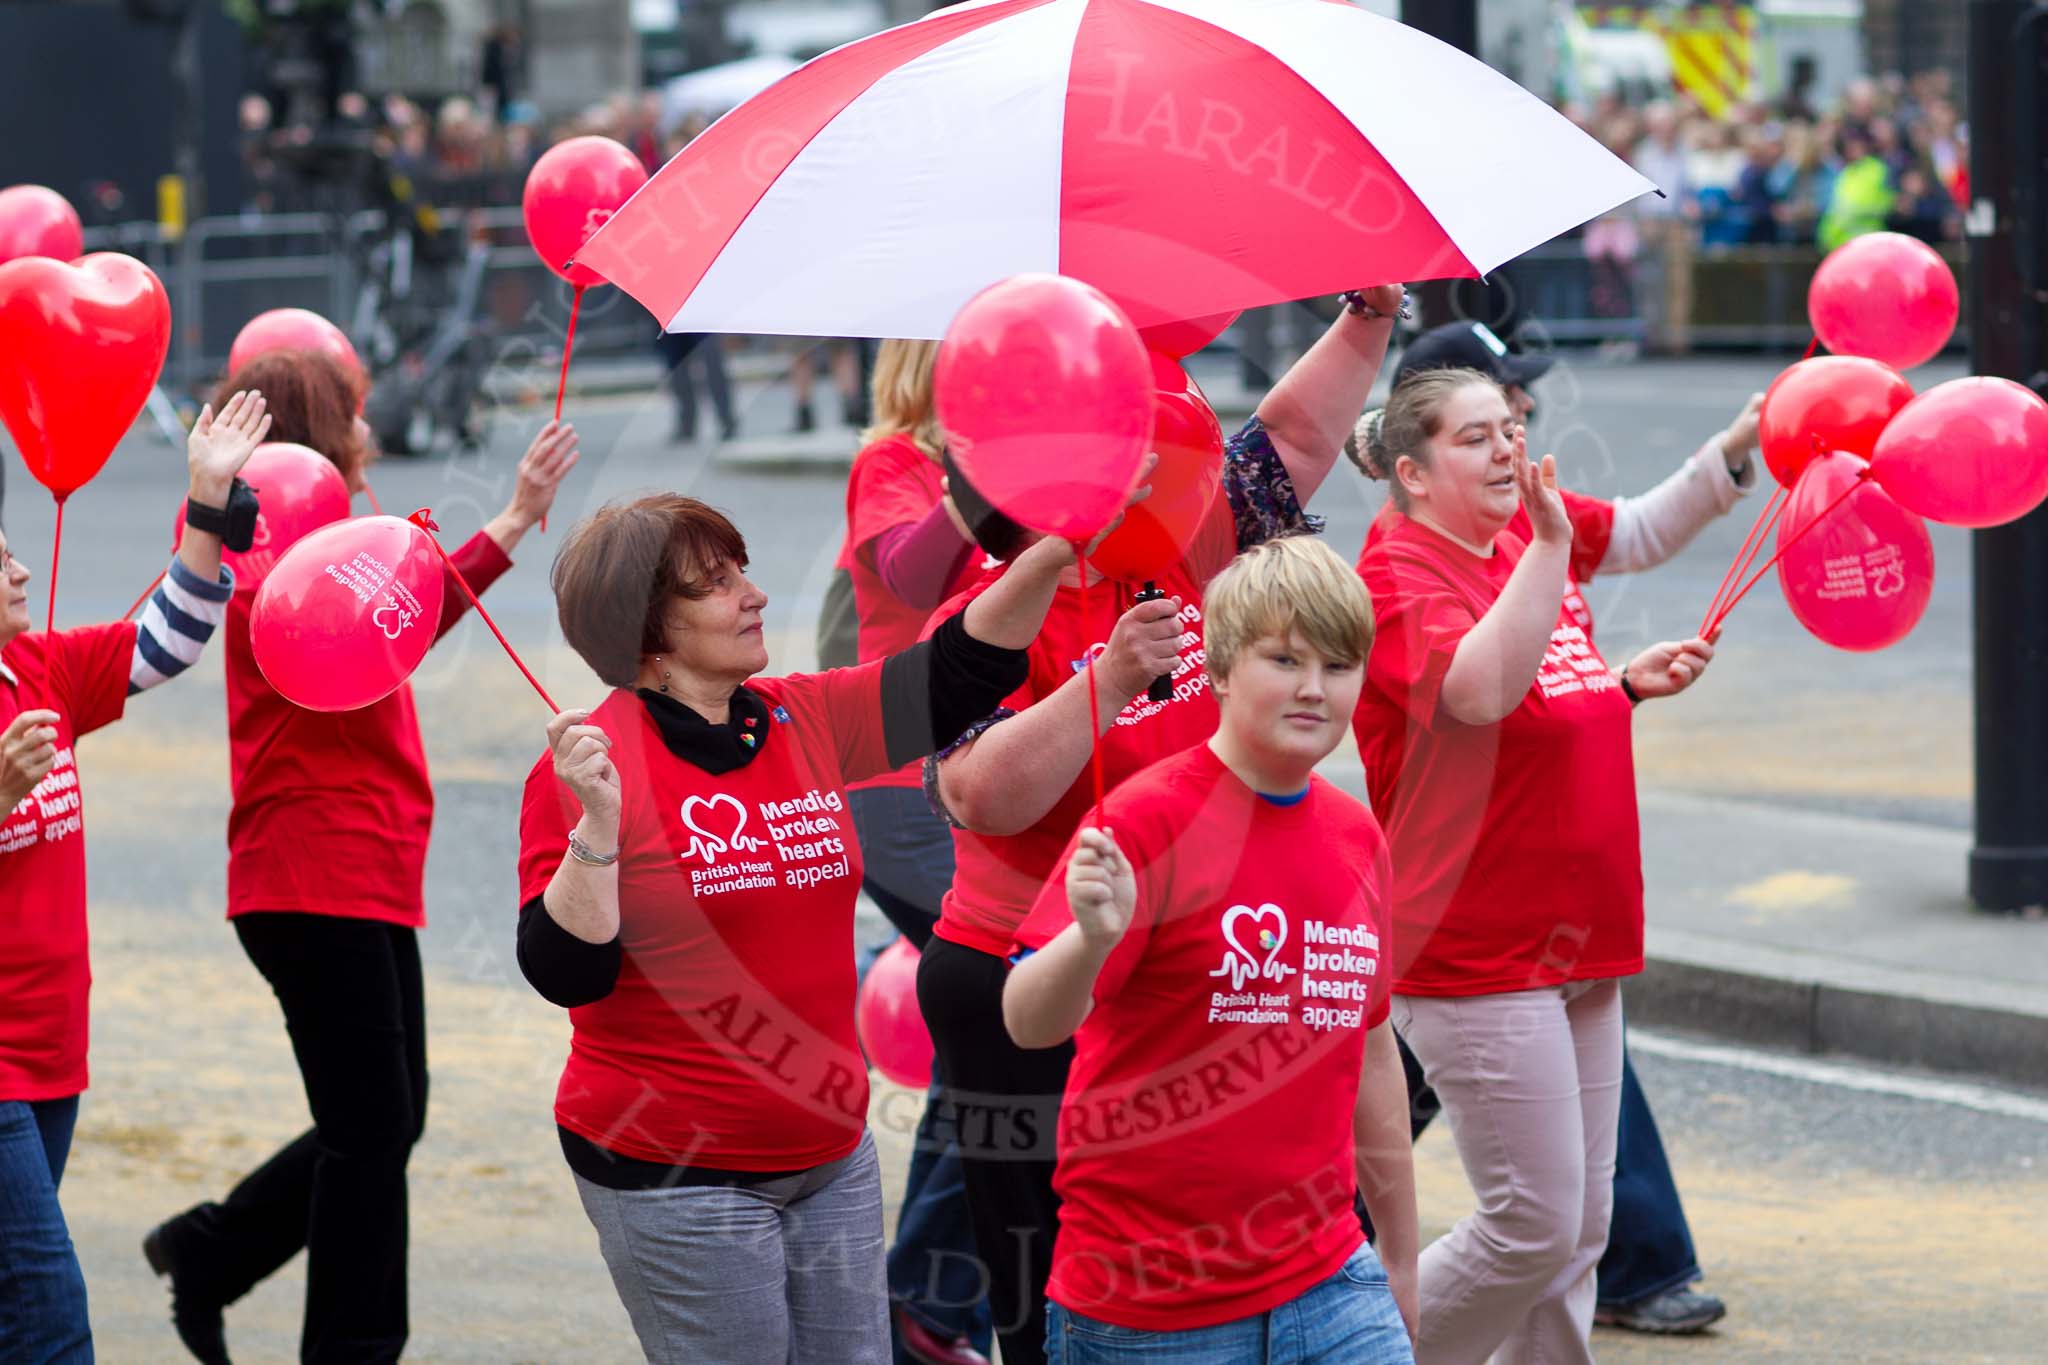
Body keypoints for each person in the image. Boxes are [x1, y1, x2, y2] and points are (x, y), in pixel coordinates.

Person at [921, 282, 1407, 1365]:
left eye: (1172, 459)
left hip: (1191, 949)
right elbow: (975, 793)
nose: (1171, 486)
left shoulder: (1198, 537)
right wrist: (1100, 686)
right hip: (1025, 966)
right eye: (1133, 461)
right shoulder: (994, 589)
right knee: (1044, 1280)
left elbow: (1284, 440)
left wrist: (1367, 315)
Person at [515, 492, 1090, 1365]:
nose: (753, 594)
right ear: (648, 631)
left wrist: (1050, 552)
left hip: (831, 1154)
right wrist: (595, 831)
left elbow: (955, 672)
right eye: (715, 583)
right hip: (680, 1171)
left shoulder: (801, 713)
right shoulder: (589, 766)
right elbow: (566, 972)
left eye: (741, 569)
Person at [146, 349, 579, 1365]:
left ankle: (207, 1254)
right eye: (355, 414)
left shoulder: (339, 547)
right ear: (318, 430)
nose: (372, 432)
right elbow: (337, 625)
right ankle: (348, 1345)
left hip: (370, 866)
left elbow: (407, 623)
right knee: (372, 1130)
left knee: (388, 1119)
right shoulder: (254, 556)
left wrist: (512, 517)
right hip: (307, 868)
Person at [1349, 321, 1762, 1338]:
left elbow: (1544, 695)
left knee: (1578, 1230)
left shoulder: (1517, 542)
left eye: (1512, 422)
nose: (1510, 440)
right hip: (1475, 943)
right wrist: (1542, 546)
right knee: (1528, 1224)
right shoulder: (1397, 574)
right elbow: (1482, 692)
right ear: (1409, 471)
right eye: (1479, 431)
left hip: (1575, 928)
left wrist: (1620, 685)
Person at [1003, 535, 1419, 1364]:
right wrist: (1090, 939)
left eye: (1339, 667)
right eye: (1285, 658)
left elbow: (1371, 1051)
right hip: (1152, 1307)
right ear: (1222, 669)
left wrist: (1401, 1255)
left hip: (1332, 1279)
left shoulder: (1354, 833)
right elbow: (1026, 1020)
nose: (1313, 688)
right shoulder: (1148, 818)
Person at [0, 392, 271, 1362]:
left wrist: (206, 496)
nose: (22, 564)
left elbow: (170, 638)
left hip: (51, 1050)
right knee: (49, 1324)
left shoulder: (37, 671)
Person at [837, 339, 994, 1365]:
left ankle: (931, 1308)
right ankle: (927, 1305)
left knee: (988, 1033)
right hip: (900, 794)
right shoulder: (895, 462)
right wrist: (992, 486)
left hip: (984, 783)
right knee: (1003, 1010)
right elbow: (909, 566)